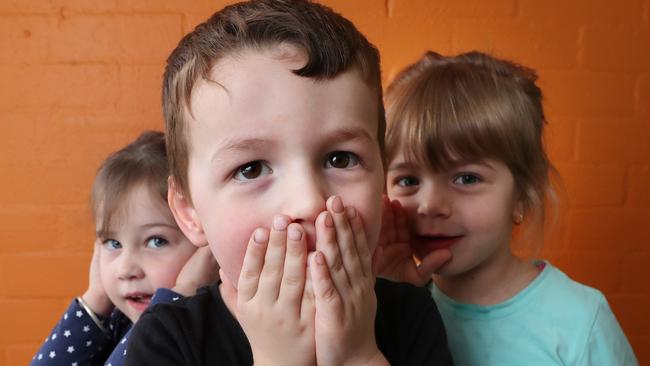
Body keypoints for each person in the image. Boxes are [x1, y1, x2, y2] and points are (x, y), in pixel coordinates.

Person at [125, 1, 453, 365]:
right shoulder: (166, 341)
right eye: (251, 169)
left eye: (340, 159)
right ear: (189, 212)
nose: (308, 202)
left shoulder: (411, 314)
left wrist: (356, 356)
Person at [376, 50, 638, 365]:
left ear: (521, 195)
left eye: (467, 178)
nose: (430, 205)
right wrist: (391, 307)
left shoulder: (580, 321)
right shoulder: (379, 312)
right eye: (408, 180)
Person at [30, 131, 219, 366]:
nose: (125, 268)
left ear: (207, 247)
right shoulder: (117, 322)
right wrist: (96, 299)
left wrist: (180, 294)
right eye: (113, 243)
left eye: (156, 241)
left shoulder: (214, 336)